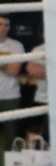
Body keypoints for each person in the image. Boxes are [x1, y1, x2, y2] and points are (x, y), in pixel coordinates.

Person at [0, 13, 26, 147]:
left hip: (11, 96)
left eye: (6, 25)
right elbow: (8, 68)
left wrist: (6, 67)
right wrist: (5, 65)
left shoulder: (16, 45)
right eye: (0, 24)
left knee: (11, 137)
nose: (3, 28)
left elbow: (14, 70)